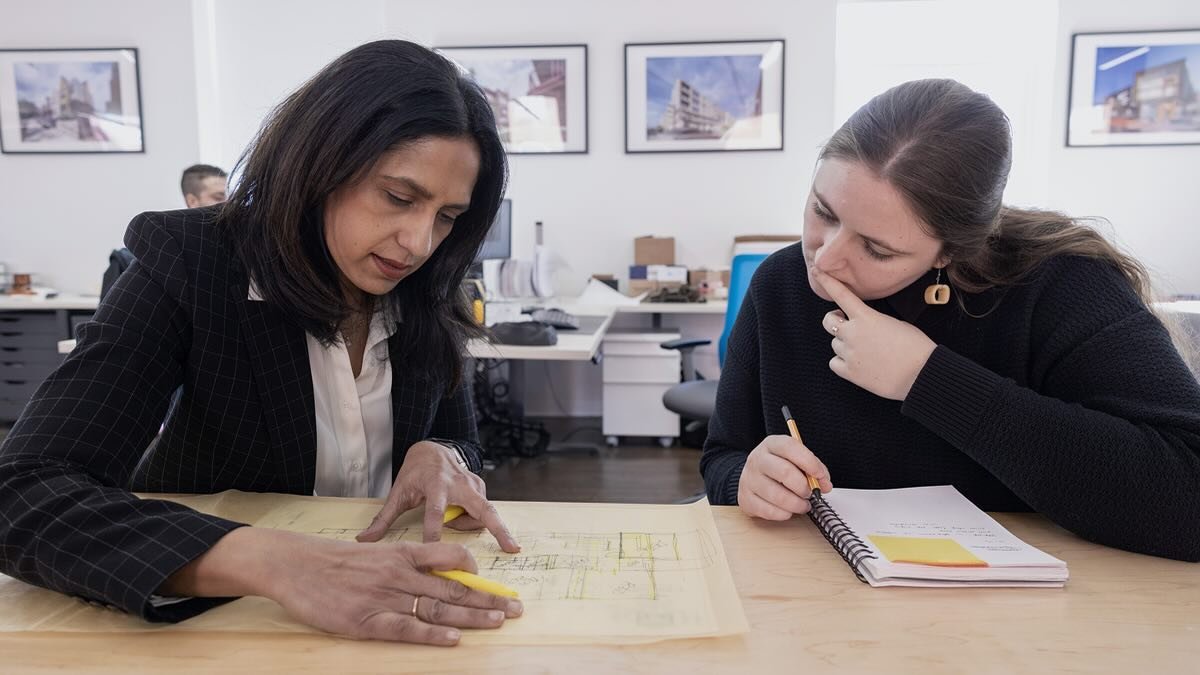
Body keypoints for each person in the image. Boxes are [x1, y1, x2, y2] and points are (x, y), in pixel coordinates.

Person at [0, 40, 523, 646]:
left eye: (447, 217)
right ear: (319, 164)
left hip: (389, 620)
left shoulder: (425, 287)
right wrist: (279, 563)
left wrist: (443, 454)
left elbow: (462, 441)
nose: (419, 242)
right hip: (224, 630)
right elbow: (21, 493)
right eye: (399, 198)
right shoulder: (192, 265)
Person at [700, 78, 1200, 562]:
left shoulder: (1062, 288)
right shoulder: (780, 283)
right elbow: (723, 454)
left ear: (949, 253)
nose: (824, 260)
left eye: (876, 249)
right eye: (823, 211)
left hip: (1023, 621)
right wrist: (747, 479)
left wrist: (928, 379)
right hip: (823, 604)